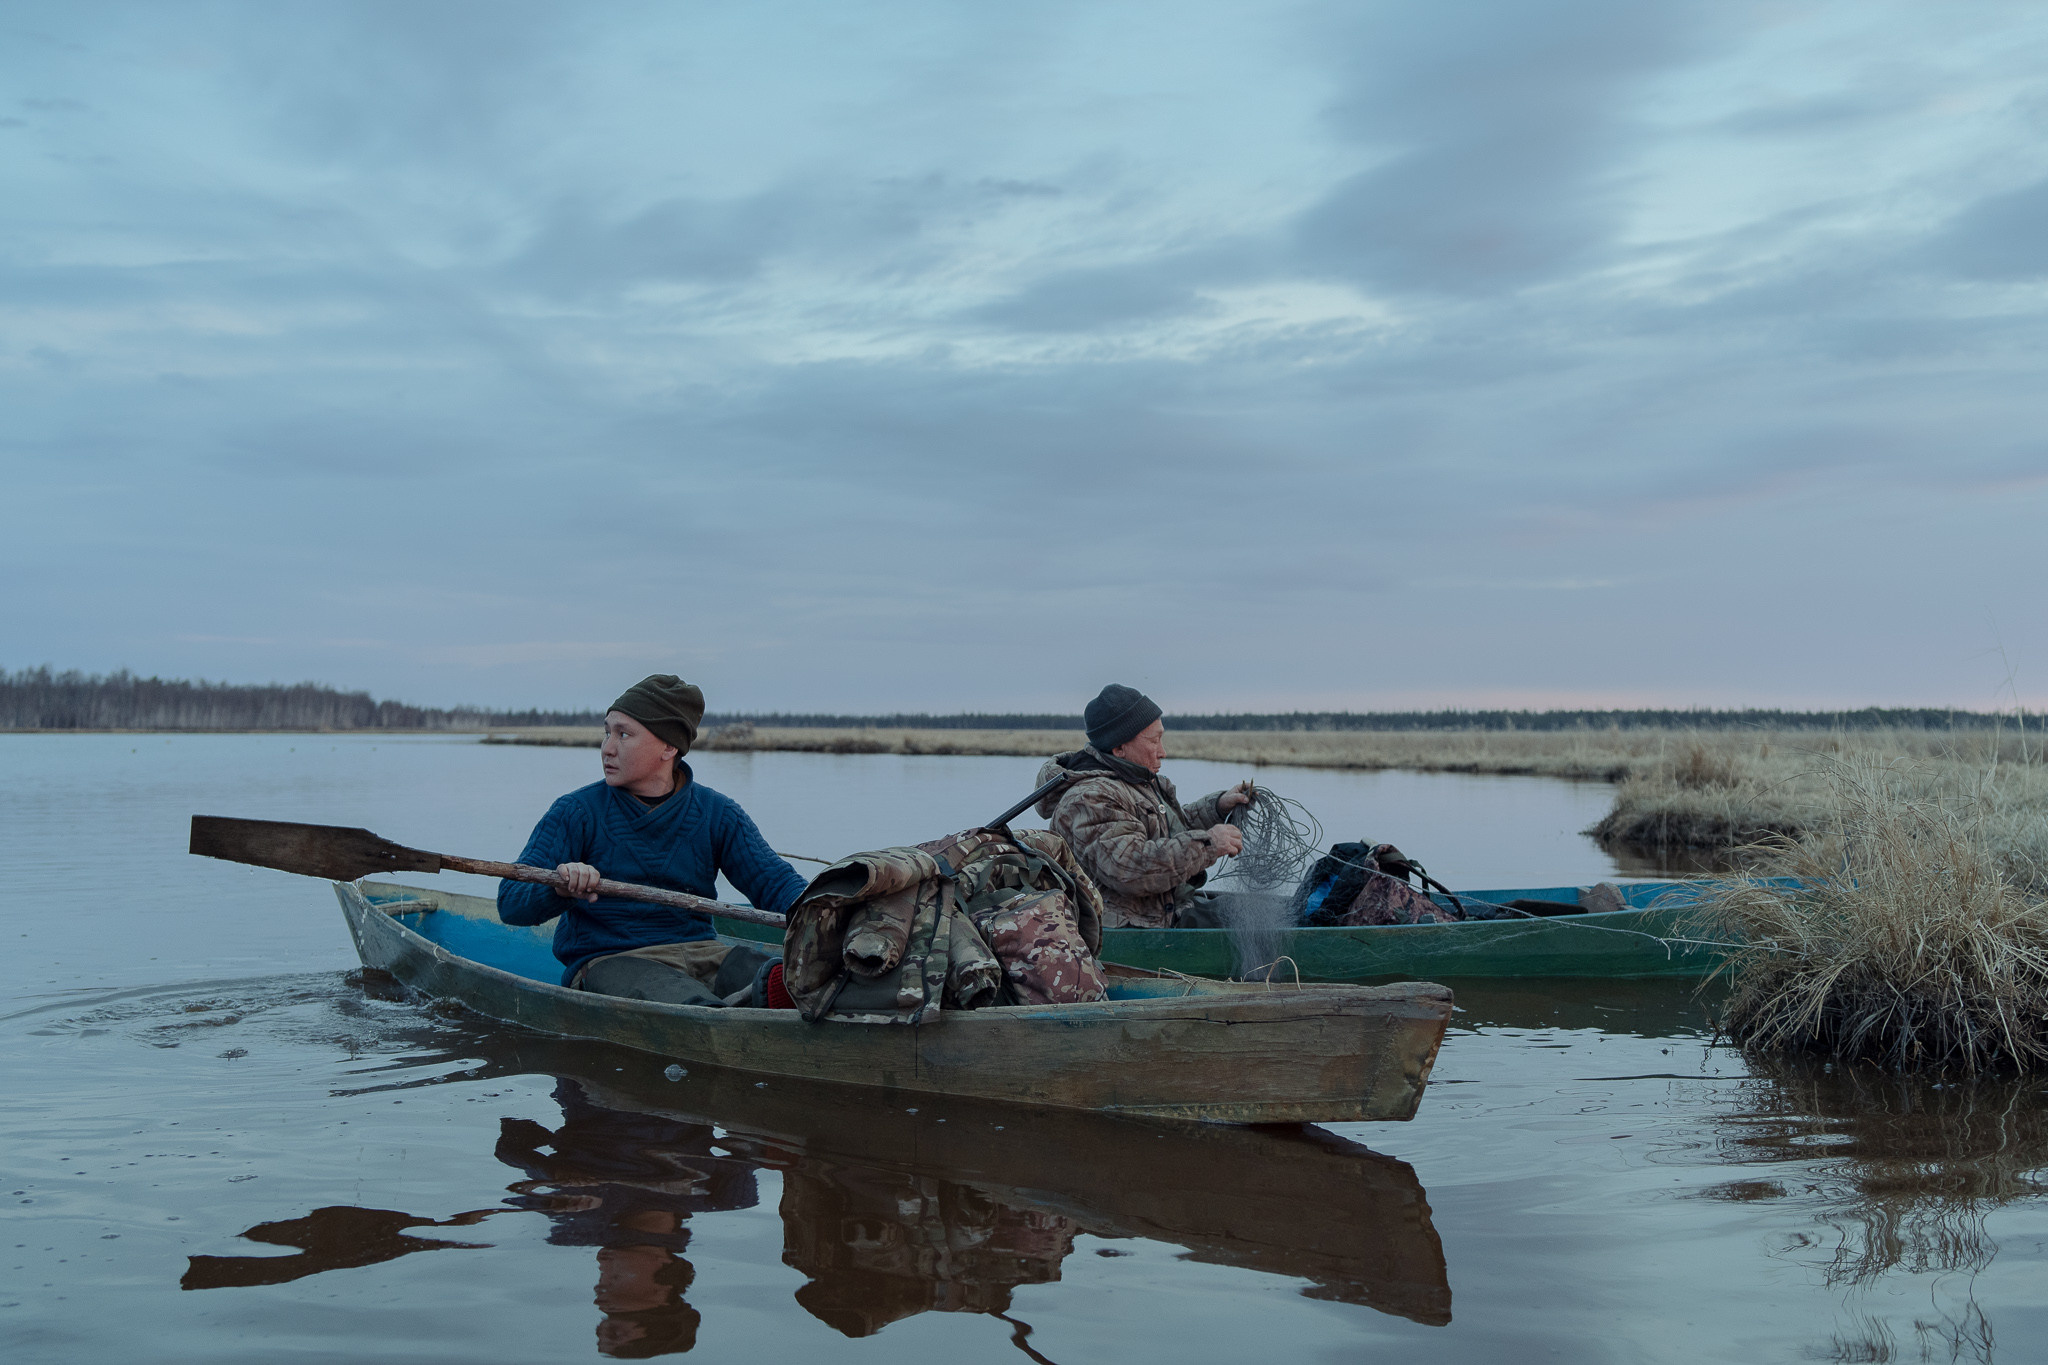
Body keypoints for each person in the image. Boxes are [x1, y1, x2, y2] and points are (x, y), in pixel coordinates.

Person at [498, 674, 804, 1003]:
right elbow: (511, 902)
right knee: (686, 1002)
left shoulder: (719, 813)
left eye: (624, 734)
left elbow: (775, 883)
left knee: (801, 979)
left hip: (703, 952)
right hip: (614, 961)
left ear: (669, 747)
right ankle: (726, 1014)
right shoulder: (576, 812)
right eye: (607, 733)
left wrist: (826, 907)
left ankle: (765, 1000)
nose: (607, 748)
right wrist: (558, 887)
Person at [1032, 684, 1255, 929]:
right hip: (1134, 928)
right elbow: (1131, 868)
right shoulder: (1089, 798)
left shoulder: (1135, 781)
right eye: (1154, 741)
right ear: (1119, 747)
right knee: (1250, 924)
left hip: (1165, 911)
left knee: (1254, 913)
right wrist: (1209, 844)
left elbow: (1167, 832)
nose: (1163, 752)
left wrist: (1218, 807)